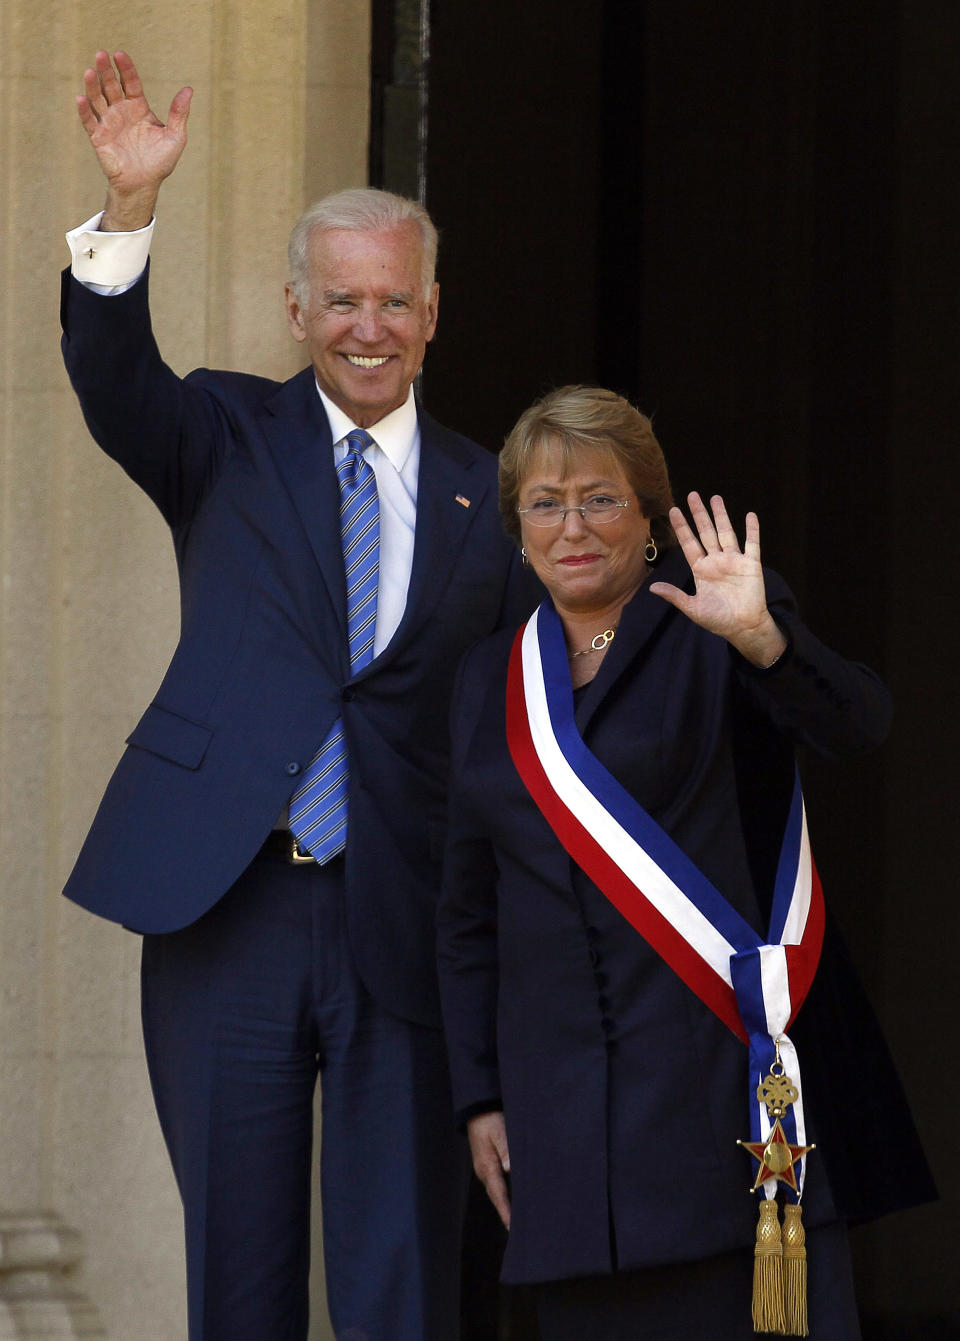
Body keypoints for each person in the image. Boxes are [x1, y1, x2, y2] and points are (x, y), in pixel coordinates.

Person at [61, 49, 536, 1341]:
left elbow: (516, 735)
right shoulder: (220, 435)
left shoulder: (489, 501)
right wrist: (128, 208)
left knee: (399, 1283)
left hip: (404, 915)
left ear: (432, 313)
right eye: (341, 301)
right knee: (242, 1272)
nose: (367, 326)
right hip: (231, 905)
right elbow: (113, 383)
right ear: (294, 309)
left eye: (392, 301)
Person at [436, 385, 934, 1340]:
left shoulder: (715, 623)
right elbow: (465, 915)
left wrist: (763, 637)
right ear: (518, 526)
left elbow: (858, 724)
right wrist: (480, 1095)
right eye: (545, 502)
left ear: (651, 516)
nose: (571, 525)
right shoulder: (487, 680)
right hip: (566, 1133)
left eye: (600, 498)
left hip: (725, 1116)